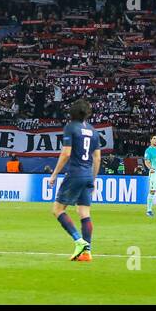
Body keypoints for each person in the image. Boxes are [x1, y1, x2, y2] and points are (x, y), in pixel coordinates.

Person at [49, 98, 99, 262]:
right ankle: (87, 252)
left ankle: (79, 242)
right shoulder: (93, 131)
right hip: (87, 174)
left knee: (57, 209)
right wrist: (94, 179)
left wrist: (54, 174)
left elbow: (66, 154)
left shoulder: (70, 128)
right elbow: (97, 158)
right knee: (84, 213)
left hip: (75, 173)